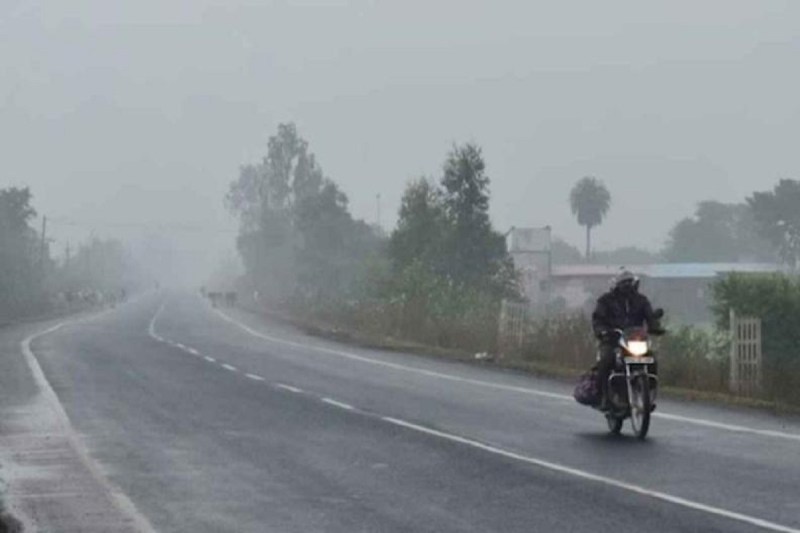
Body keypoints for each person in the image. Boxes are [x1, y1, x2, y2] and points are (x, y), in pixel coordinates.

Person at [591, 270, 665, 409]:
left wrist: (655, 327)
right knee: (606, 360)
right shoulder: (606, 300)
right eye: (624, 282)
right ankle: (604, 397)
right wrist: (602, 331)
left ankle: (647, 393)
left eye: (629, 282)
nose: (627, 285)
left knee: (651, 359)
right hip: (612, 340)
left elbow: (650, 317)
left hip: (635, 341)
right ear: (617, 284)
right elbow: (598, 319)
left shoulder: (641, 300)